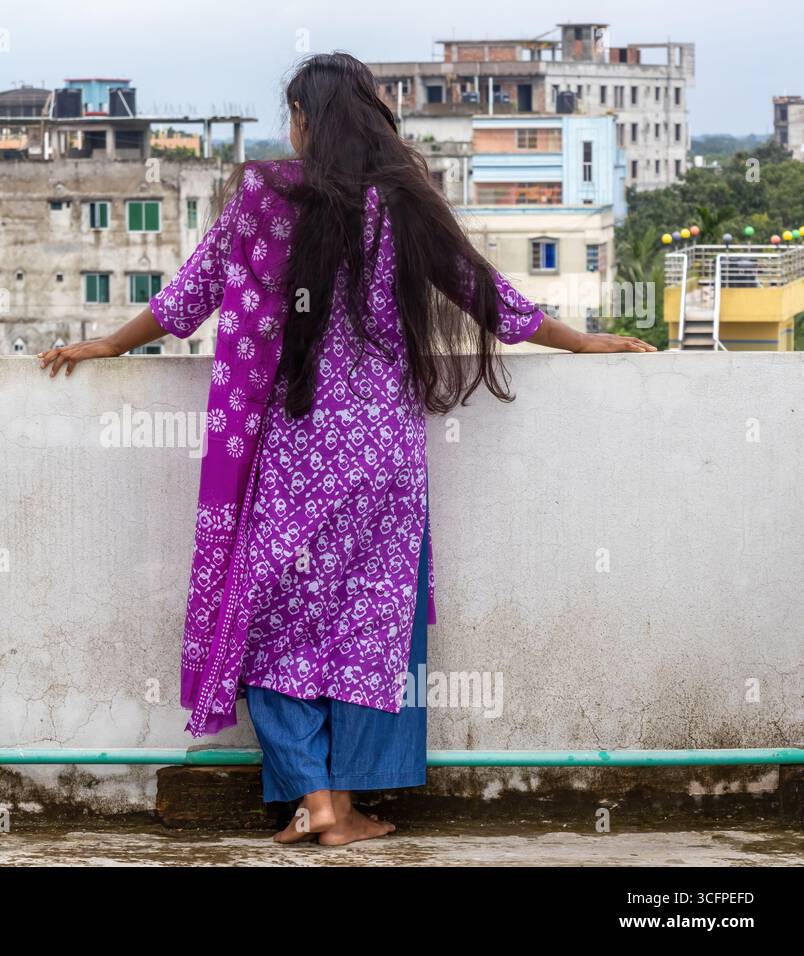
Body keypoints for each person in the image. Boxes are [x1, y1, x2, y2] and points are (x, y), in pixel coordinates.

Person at [39, 52, 654, 846]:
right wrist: (579, 341)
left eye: (292, 114)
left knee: (274, 626)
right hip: (384, 459)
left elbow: (187, 301)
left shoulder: (262, 198)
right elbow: (483, 292)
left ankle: (318, 800)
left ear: (304, 119)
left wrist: (107, 347)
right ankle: (347, 806)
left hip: (290, 453)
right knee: (373, 628)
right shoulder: (401, 204)